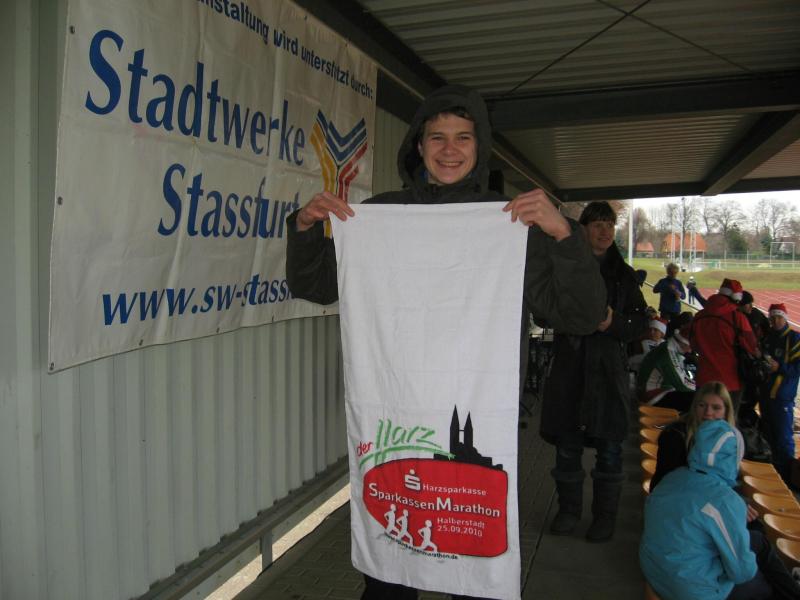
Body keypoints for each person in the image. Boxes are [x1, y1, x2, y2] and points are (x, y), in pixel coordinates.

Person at [285, 85, 607, 600]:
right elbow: (316, 285)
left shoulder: (510, 223)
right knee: (390, 573)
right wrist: (305, 229)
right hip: (395, 419)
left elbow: (581, 315)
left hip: (477, 420)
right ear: (418, 145)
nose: (449, 149)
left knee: (473, 573)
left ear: (480, 147)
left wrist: (564, 235)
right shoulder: (381, 216)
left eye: (463, 137)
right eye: (437, 137)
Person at [541, 201, 648, 543]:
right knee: (567, 448)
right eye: (598, 224)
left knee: (610, 451)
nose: (605, 231)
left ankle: (605, 517)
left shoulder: (624, 275)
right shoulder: (564, 266)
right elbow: (543, 312)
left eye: (610, 225)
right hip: (570, 370)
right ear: (583, 229)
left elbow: (640, 324)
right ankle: (568, 511)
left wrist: (613, 322)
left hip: (608, 373)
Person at [641, 419, 800, 600]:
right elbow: (742, 573)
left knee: (758, 541)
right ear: (734, 458)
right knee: (764, 587)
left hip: (656, 572)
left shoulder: (672, 478)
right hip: (691, 590)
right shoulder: (724, 501)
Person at [689, 278, 760, 415]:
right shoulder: (737, 318)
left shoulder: (699, 316)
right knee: (727, 421)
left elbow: (693, 344)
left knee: (702, 418)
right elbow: (752, 346)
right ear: (736, 298)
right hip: (730, 381)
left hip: (703, 378)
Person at [649, 381, 735, 491]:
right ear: (694, 407)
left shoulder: (730, 440)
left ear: (726, 412)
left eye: (716, 408)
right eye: (702, 405)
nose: (708, 412)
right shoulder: (674, 435)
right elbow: (668, 482)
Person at [761, 303, 800, 485]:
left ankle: (787, 479)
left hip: (782, 398)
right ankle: (772, 476)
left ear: (785, 318)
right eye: (772, 318)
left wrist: (779, 367)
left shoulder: (794, 339)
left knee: (784, 439)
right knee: (768, 436)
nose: (775, 321)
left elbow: (797, 369)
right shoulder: (767, 337)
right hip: (765, 395)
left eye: (778, 317)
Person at [637, 321, 695, 412]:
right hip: (652, 396)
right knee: (696, 399)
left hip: (655, 391)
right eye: (691, 347)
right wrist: (701, 388)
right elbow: (682, 384)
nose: (690, 351)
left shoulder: (670, 346)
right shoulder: (668, 352)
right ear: (684, 342)